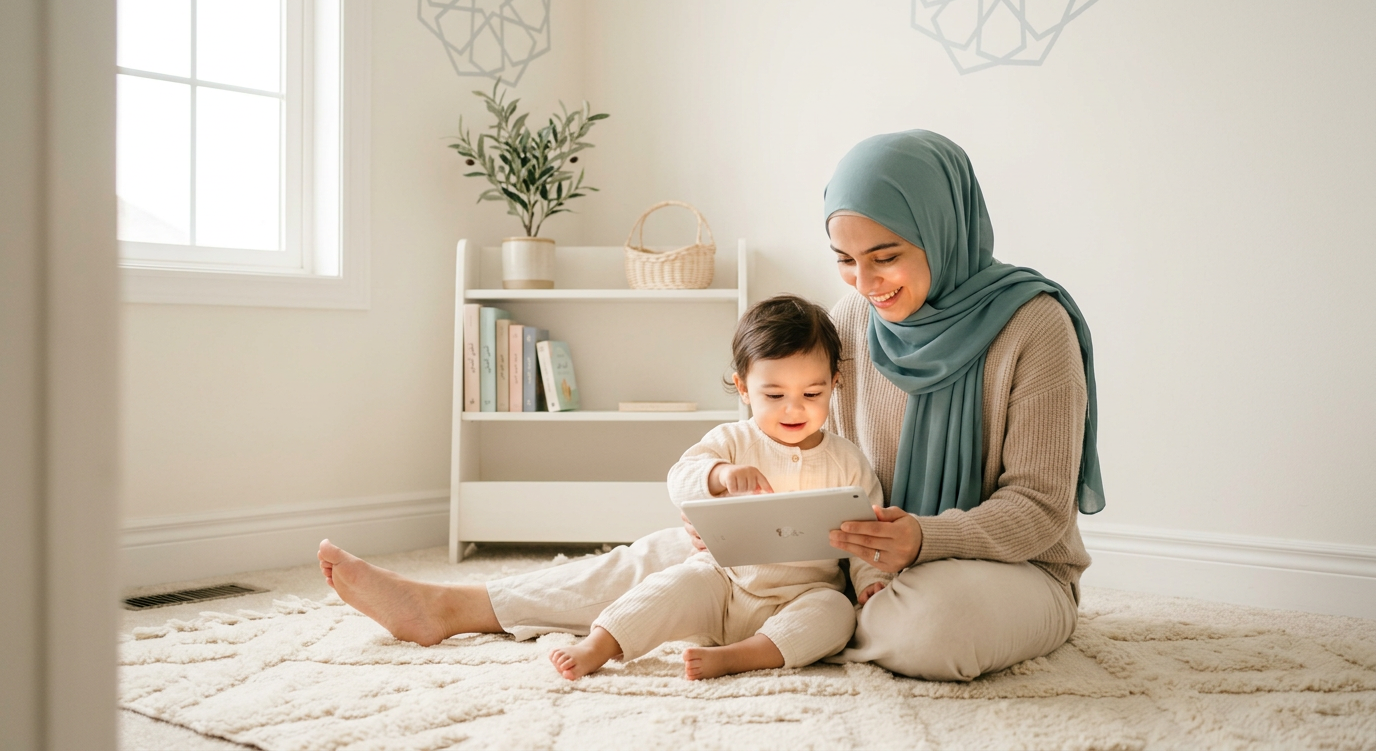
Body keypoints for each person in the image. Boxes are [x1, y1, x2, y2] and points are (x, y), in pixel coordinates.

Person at [318, 129, 1102, 682]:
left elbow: (1040, 510)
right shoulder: (854, 319)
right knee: (676, 556)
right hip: (851, 558)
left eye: (886, 256)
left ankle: (794, 620)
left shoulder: (1035, 327)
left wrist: (924, 538)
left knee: (931, 629)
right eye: (845, 260)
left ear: (944, 226)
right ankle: (454, 606)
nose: (866, 283)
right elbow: (799, 436)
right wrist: (741, 509)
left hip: (1000, 572)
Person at [548, 294, 891, 681]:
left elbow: (867, 532)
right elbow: (680, 478)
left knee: (836, 611)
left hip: (803, 595)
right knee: (671, 583)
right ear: (743, 388)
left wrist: (870, 581)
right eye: (774, 395)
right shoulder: (731, 440)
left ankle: (739, 657)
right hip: (722, 584)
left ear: (834, 383)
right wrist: (719, 475)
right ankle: (599, 645)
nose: (794, 409)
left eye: (812, 394)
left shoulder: (848, 461)